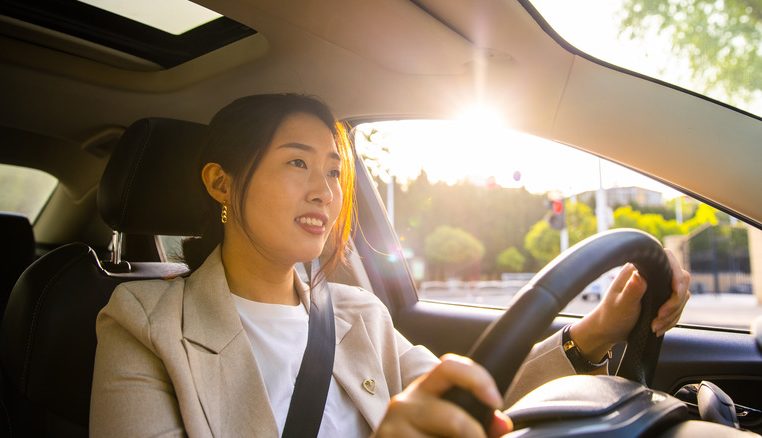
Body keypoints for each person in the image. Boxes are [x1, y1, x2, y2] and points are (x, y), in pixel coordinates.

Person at [89, 93, 690, 438]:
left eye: (333, 170)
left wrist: (594, 334)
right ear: (222, 183)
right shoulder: (145, 325)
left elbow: (474, 390)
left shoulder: (356, 312)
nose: (326, 191)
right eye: (298, 164)